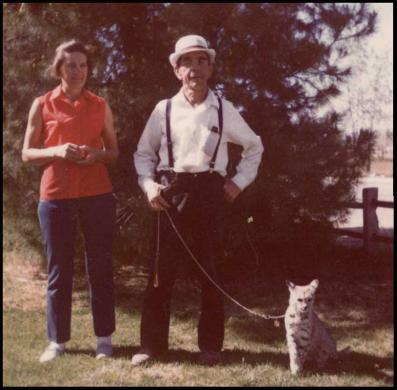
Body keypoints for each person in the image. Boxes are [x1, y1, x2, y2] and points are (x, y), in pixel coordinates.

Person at [132, 34, 264, 366]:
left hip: (210, 194)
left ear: (211, 67)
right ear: (176, 70)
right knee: (161, 274)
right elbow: (143, 154)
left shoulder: (223, 108)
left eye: (201, 60)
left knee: (211, 273)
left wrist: (238, 182)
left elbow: (254, 146)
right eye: (187, 62)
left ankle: (210, 347)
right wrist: (150, 188)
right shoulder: (163, 110)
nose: (195, 68)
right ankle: (151, 346)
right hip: (169, 193)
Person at [21, 40, 119, 363]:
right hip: (56, 196)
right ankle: (56, 341)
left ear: (88, 70)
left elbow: (113, 152)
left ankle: (104, 339)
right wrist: (56, 151)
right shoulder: (42, 104)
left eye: (82, 65)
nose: (77, 71)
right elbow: (26, 154)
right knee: (58, 271)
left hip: (97, 195)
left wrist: (95, 155)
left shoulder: (100, 105)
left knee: (100, 268)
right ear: (58, 68)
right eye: (70, 65)